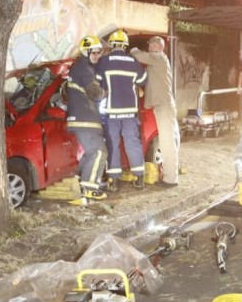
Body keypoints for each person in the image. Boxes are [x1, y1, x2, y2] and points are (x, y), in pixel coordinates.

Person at [96, 29, 148, 191]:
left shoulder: (104, 61)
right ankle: (139, 179)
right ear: (125, 45)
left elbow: (98, 84)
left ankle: (114, 182)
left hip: (111, 111)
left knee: (113, 144)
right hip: (130, 112)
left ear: (111, 45)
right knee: (132, 143)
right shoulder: (133, 62)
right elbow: (143, 80)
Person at [131, 36, 180, 187]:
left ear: (161, 47)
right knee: (166, 142)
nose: (151, 47)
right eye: (150, 45)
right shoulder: (155, 62)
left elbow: (140, 56)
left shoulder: (158, 58)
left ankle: (171, 179)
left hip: (164, 105)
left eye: (154, 45)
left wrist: (132, 49)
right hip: (162, 105)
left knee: (167, 142)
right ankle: (169, 176)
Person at [66, 35, 108, 204]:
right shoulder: (84, 68)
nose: (98, 56)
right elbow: (95, 93)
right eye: (96, 52)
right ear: (87, 51)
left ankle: (76, 181)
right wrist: (105, 92)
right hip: (85, 119)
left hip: (80, 119)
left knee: (90, 153)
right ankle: (89, 189)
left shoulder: (80, 67)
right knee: (99, 152)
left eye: (100, 52)